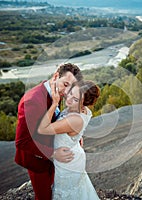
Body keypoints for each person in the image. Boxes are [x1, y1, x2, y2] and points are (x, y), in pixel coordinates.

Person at [15, 63, 83, 200]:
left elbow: (57, 121)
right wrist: (53, 153)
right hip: (38, 161)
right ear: (56, 76)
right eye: (65, 84)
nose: (67, 92)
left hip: (53, 159)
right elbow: (22, 142)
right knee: (44, 197)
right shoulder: (33, 101)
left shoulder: (56, 92)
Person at [37, 80, 100, 200]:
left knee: (68, 194)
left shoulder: (74, 120)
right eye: (70, 93)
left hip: (68, 161)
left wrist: (54, 103)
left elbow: (42, 129)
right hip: (73, 152)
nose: (69, 99)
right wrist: (76, 137)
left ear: (83, 104)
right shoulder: (80, 110)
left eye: (75, 99)